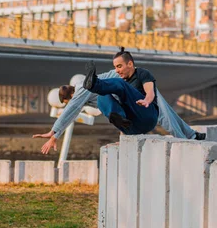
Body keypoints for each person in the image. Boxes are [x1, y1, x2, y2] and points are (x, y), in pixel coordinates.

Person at [33, 48, 206, 154]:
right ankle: (190, 135)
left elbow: (73, 107)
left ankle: (187, 139)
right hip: (124, 96)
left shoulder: (82, 88)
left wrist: (55, 133)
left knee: (160, 111)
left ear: (69, 96)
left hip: (128, 89)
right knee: (162, 108)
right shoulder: (88, 87)